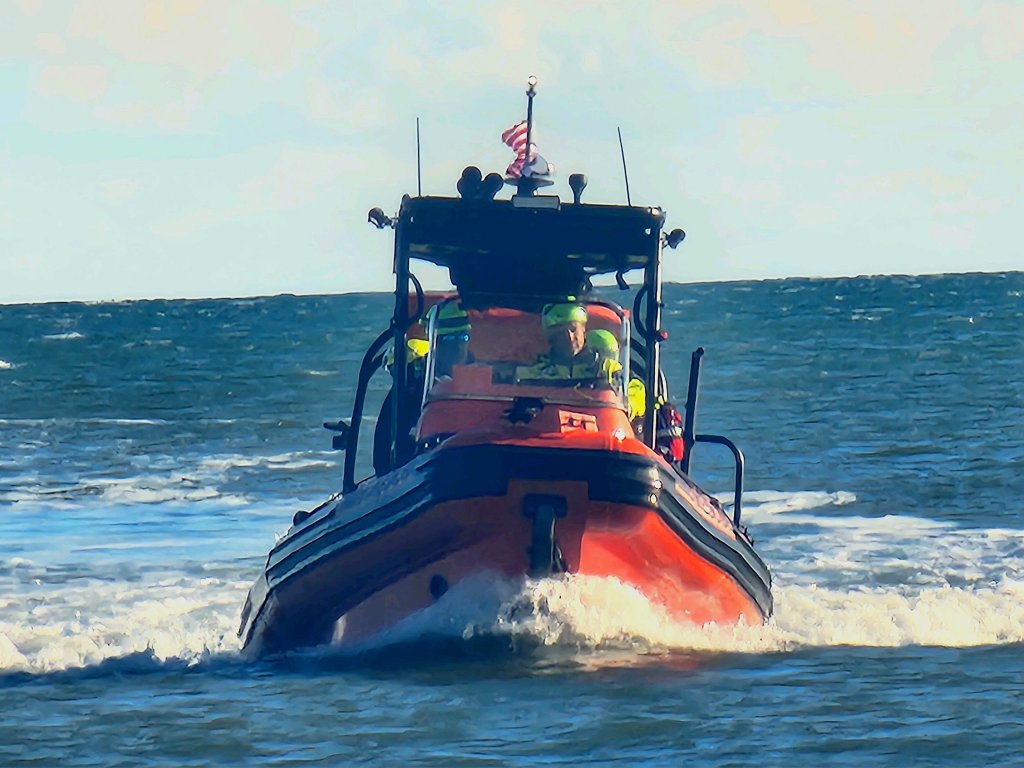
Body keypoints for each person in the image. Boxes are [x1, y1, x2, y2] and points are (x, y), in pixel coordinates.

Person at [515, 303, 619, 385]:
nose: (569, 337)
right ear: (551, 337)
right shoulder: (536, 371)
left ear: (583, 329)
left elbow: (633, 391)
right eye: (560, 333)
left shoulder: (606, 368)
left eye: (573, 329)